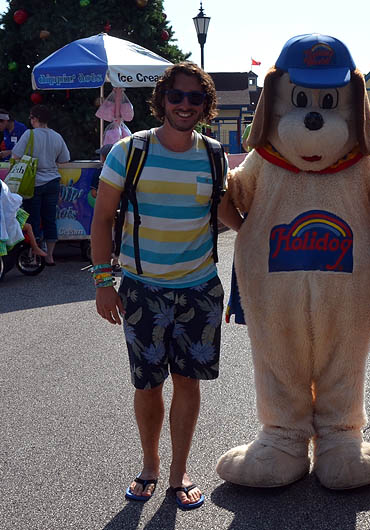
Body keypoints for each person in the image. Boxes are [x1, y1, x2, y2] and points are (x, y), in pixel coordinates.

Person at [90, 61, 241, 509]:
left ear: (206, 104)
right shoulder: (130, 151)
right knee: (148, 384)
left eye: (195, 97)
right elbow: (102, 218)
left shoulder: (213, 154)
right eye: (177, 96)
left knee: (188, 383)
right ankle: (150, 464)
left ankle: (179, 471)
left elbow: (222, 211)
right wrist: (103, 281)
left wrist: (263, 233)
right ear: (162, 100)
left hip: (199, 288)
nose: (185, 104)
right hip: (142, 288)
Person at [12, 104, 70, 266]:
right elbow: (65, 159)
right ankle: (50, 256)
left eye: (31, 117)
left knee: (33, 219)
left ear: (35, 118)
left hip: (33, 183)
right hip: (53, 182)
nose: (30, 120)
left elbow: (15, 155)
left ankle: (33, 255)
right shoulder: (57, 136)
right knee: (50, 219)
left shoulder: (29, 134)